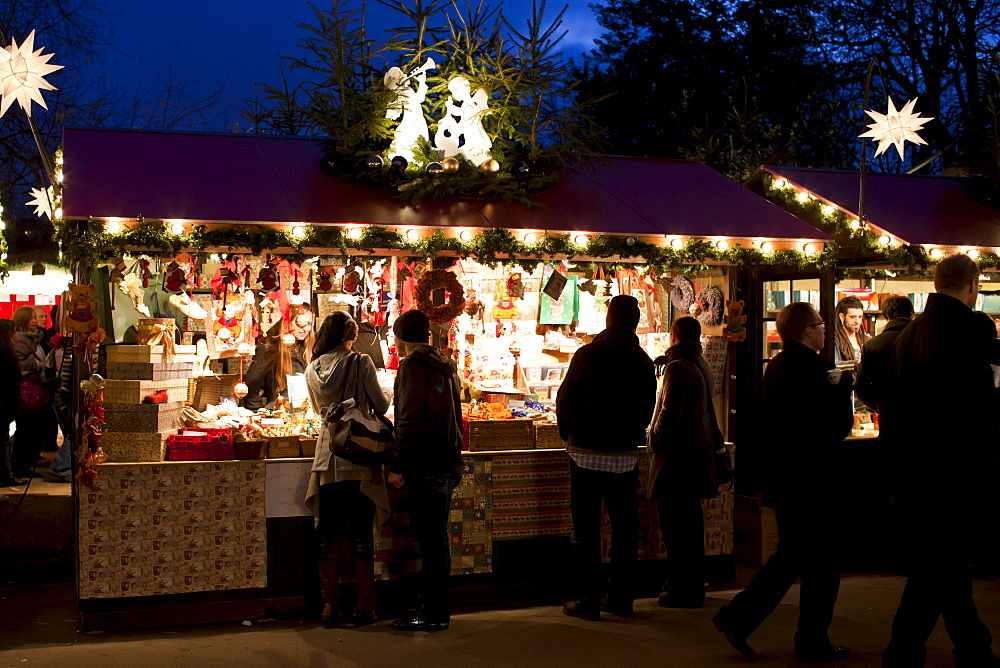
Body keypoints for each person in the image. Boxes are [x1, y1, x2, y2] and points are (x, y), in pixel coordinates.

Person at [713, 302, 854, 663]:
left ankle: (738, 619)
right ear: (807, 329)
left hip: (785, 478)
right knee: (821, 563)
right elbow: (837, 427)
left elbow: (764, 425)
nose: (825, 329)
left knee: (791, 556)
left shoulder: (775, 367)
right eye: (821, 324)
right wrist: (844, 388)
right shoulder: (819, 370)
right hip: (816, 480)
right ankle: (810, 638)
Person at [880, 254, 1000, 667]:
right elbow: (977, 403)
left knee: (938, 566)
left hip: (917, 469)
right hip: (956, 469)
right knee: (943, 565)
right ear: (973, 286)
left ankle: (957, 647)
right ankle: (925, 649)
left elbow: (895, 404)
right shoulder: (970, 328)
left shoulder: (913, 332)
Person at [556, 294, 656, 621]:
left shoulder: (588, 354)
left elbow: (565, 398)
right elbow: (646, 409)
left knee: (585, 531)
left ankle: (587, 599)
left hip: (585, 452)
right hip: (624, 456)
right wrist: (629, 435)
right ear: (635, 321)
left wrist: (570, 434)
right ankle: (620, 599)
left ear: (609, 318)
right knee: (625, 531)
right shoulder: (642, 360)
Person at [304, 312, 391, 628]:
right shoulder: (360, 361)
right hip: (358, 456)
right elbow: (380, 407)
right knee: (359, 535)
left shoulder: (312, 368)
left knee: (328, 536)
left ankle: (330, 607)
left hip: (327, 458)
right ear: (351, 335)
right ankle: (364, 606)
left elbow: (319, 411)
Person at [387, 309, 463, 632]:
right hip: (446, 462)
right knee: (437, 540)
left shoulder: (411, 367)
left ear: (399, 338)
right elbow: (458, 417)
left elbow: (408, 421)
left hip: (424, 465)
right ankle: (435, 609)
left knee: (429, 541)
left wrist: (398, 465)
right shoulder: (446, 365)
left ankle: (431, 612)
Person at [647, 316, 723, 608]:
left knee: (677, 527)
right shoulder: (700, 362)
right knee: (690, 525)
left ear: (673, 335)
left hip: (677, 461)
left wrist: (654, 439)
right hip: (695, 457)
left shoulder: (678, 367)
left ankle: (681, 587)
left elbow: (668, 414)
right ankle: (692, 584)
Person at [11, 306, 55, 478]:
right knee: (27, 429)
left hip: (34, 391)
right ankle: (20, 465)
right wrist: (39, 365)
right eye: (33, 318)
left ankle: (25, 463)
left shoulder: (34, 338)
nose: (36, 321)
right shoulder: (21, 341)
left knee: (36, 428)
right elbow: (21, 367)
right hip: (27, 393)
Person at [243, 310, 314, 410]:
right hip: (280, 417)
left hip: (307, 416)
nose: (304, 329)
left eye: (308, 323)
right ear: (287, 322)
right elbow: (251, 383)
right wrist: (257, 411)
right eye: (299, 324)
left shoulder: (310, 349)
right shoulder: (270, 348)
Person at [855, 295, 914, 412]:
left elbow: (862, 389)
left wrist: (882, 408)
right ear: (911, 314)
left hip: (888, 416)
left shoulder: (872, 345)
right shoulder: (924, 339)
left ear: (887, 316)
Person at [0, 320, 25, 487]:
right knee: (3, 440)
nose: (16, 335)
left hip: (5, 402)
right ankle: (5, 474)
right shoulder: (4, 353)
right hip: (3, 404)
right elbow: (12, 378)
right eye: (14, 332)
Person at [833, 295, 870, 367]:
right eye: (852, 317)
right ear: (842, 316)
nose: (857, 321)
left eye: (860, 317)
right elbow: (834, 363)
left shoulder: (866, 339)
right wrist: (856, 363)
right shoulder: (835, 339)